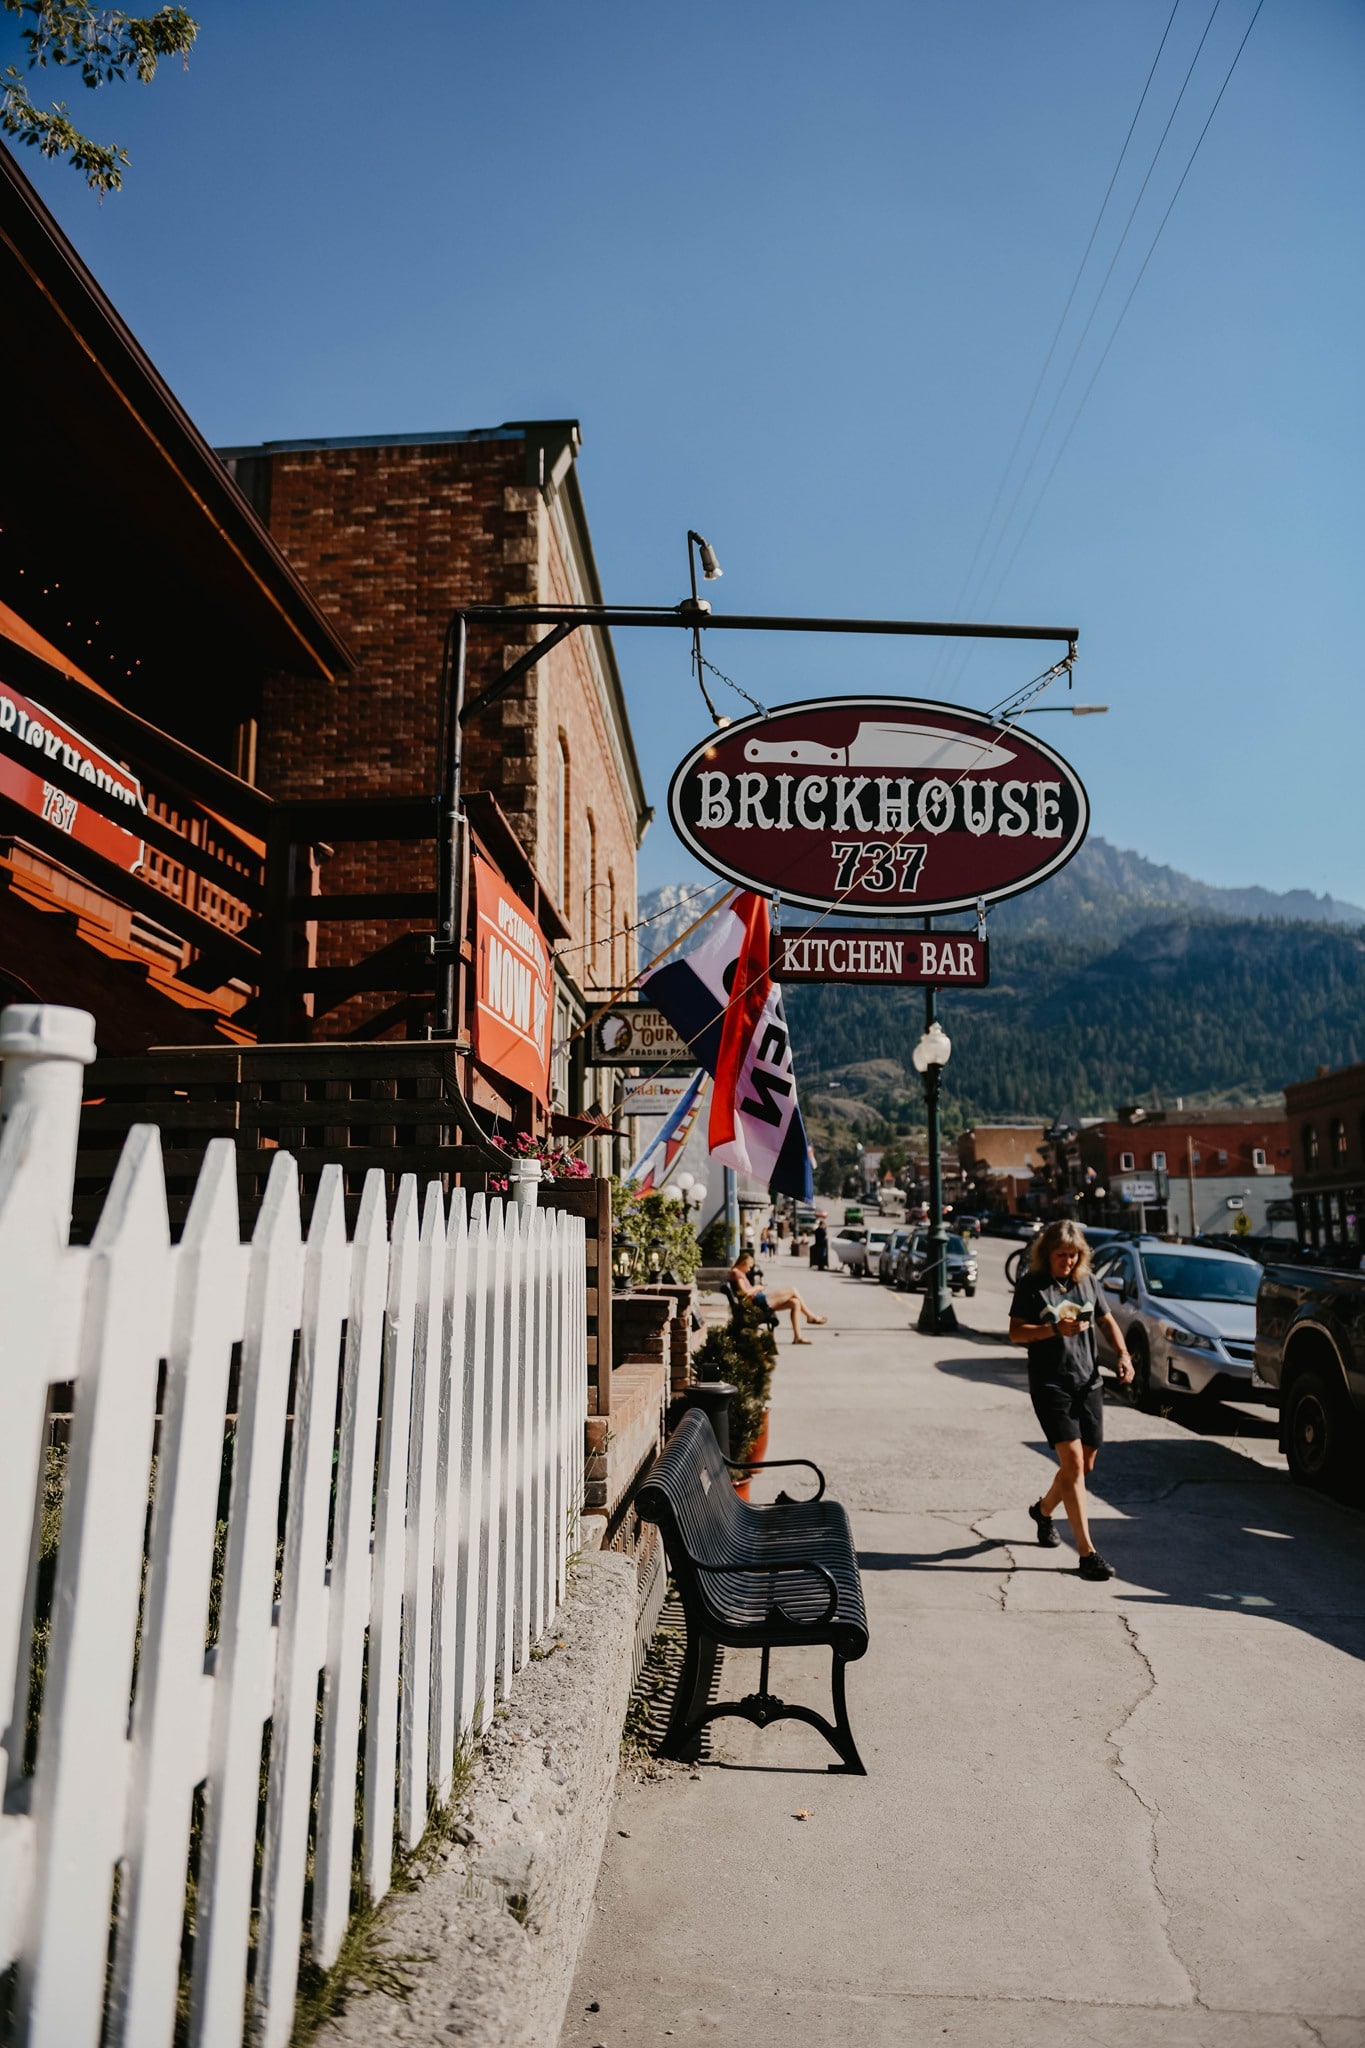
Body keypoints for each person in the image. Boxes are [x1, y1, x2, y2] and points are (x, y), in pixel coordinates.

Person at [1008, 1218, 1134, 1581]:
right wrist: (1052, 1329)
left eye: (1073, 1255)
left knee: (1086, 1464)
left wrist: (1124, 1356)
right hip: (1051, 1383)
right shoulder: (1032, 1285)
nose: (1067, 1261)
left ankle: (1044, 1511)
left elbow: (1107, 1321)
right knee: (1074, 1462)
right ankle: (1087, 1554)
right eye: (1061, 1255)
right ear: (1046, 1254)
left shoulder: (1087, 1282)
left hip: (1089, 1382)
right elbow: (1016, 1332)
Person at [730, 1248, 827, 1345]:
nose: (749, 1270)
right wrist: (757, 1288)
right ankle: (810, 1316)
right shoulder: (736, 1273)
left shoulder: (738, 1273)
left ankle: (797, 1337)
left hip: (758, 1300)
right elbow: (745, 1293)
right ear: (743, 1263)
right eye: (749, 1267)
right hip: (757, 1302)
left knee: (795, 1303)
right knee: (792, 1290)